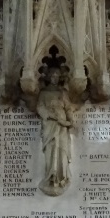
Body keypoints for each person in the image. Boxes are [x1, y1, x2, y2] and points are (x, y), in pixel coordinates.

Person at [37, 68, 76, 196]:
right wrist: (51, 116)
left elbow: (69, 108)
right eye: (52, 75)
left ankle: (61, 176)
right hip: (50, 124)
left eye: (57, 76)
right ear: (49, 77)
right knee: (50, 149)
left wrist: (70, 120)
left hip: (62, 125)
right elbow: (40, 107)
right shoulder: (43, 93)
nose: (55, 77)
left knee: (62, 149)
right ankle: (50, 175)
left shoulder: (62, 92)